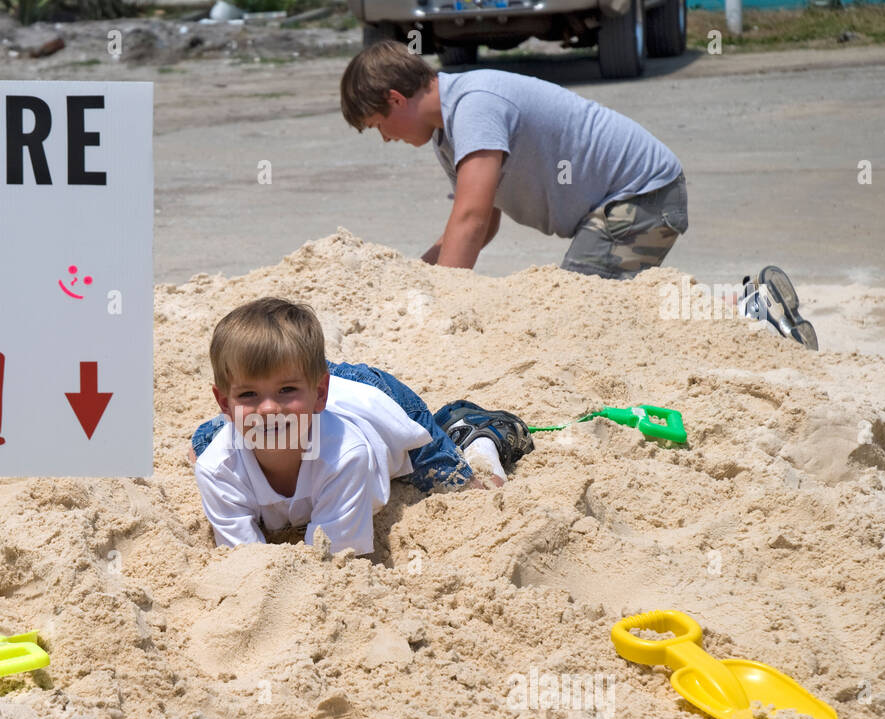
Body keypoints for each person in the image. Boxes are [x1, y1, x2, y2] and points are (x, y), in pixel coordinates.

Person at [188, 297, 533, 555]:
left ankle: (473, 430)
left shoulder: (345, 455)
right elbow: (247, 562)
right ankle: (261, 396)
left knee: (471, 489)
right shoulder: (218, 469)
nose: (267, 408)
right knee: (203, 449)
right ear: (224, 404)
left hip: (373, 401)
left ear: (320, 393)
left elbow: (334, 559)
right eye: (248, 394)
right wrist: (282, 395)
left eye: (285, 391)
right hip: (302, 400)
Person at [340, 40, 688, 280]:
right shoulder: (448, 127)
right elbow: (481, 219)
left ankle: (727, 316)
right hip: (623, 202)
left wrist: (441, 303)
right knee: (592, 308)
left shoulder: (474, 107)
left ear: (397, 100)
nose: (386, 137)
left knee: (577, 314)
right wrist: (418, 274)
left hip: (641, 195)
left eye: (378, 125)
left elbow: (471, 218)